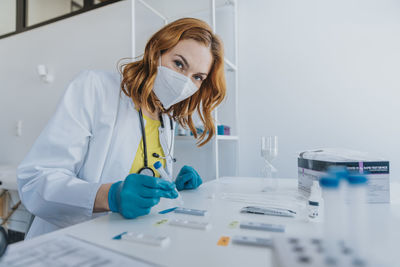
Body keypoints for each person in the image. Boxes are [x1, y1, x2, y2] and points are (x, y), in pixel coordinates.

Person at [17, 18, 226, 239]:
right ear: (156, 51)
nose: (184, 81)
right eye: (179, 64)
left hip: (130, 242)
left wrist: (168, 188)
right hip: (67, 244)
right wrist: (110, 196)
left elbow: (137, 179)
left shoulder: (166, 118)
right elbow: (36, 182)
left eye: (197, 77)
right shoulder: (96, 88)